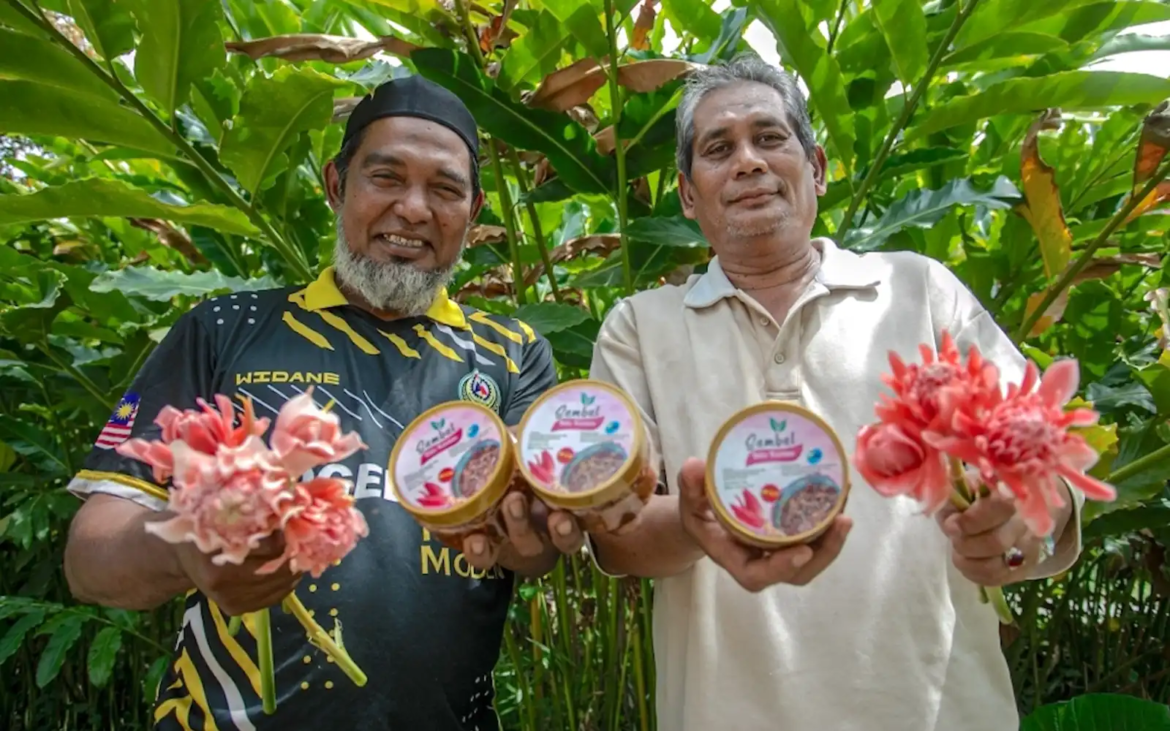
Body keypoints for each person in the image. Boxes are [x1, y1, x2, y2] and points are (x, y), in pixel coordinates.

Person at [62, 75, 584, 731]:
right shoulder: (226, 329)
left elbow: (534, 548)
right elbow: (90, 556)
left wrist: (530, 528)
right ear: (337, 184)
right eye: (386, 177)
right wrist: (185, 548)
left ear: (473, 210)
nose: (414, 208)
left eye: (445, 189)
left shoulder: (509, 351)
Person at [586, 54, 1083, 731]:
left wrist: (1019, 519)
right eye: (718, 148)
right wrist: (699, 521)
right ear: (687, 195)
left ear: (815, 167)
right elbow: (616, 534)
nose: (749, 161)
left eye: (769, 138)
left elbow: (1044, 453)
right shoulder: (639, 328)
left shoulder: (918, 290)